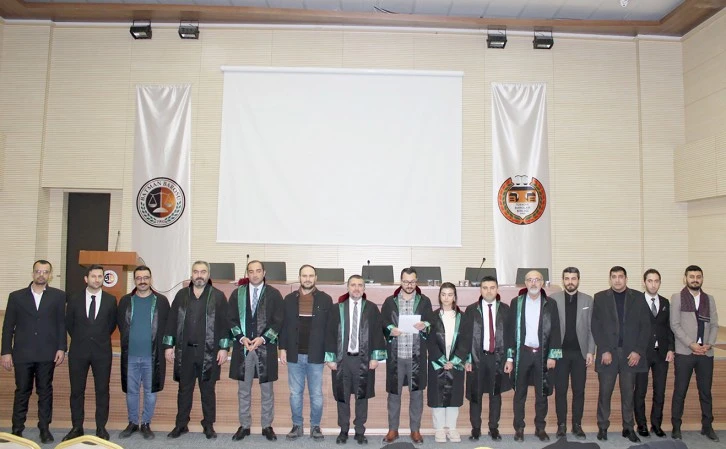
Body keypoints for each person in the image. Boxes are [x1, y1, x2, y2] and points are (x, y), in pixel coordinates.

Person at [1, 260, 66, 444]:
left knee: (45, 392)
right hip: (23, 353)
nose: (41, 275)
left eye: (45, 272)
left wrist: (61, 347)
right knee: (22, 391)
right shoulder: (16, 297)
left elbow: (61, 324)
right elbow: (8, 327)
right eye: (38, 271)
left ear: (50, 275)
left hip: (47, 353)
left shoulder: (58, 296)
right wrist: (6, 351)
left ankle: (44, 428)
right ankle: (17, 429)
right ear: (32, 273)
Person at [164, 261, 230, 440]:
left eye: (203, 272)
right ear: (191, 274)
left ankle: (208, 424)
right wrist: (169, 345)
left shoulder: (217, 296)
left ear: (208, 275)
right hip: (185, 352)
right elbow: (171, 320)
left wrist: (224, 348)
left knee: (207, 390)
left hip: (208, 352)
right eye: (196, 272)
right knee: (184, 390)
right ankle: (181, 424)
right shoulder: (181, 295)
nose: (199, 275)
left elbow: (225, 325)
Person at [591, 266, 650, 443]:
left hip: (630, 354)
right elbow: (595, 326)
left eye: (621, 276)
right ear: (610, 279)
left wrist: (638, 351)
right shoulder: (600, 297)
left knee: (628, 395)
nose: (617, 280)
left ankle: (628, 428)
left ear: (626, 279)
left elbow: (645, 326)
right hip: (608, 354)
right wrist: (604, 349)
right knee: (605, 393)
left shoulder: (638, 297)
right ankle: (603, 427)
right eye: (614, 277)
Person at [325, 275, 386, 445]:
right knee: (342, 396)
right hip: (342, 359)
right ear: (348, 287)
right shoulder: (337, 308)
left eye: (360, 285)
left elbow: (378, 333)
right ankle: (343, 430)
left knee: (362, 396)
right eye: (353, 285)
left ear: (364, 288)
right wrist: (330, 358)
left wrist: (375, 357)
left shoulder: (372, 308)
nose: (356, 288)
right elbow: (329, 333)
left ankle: (360, 431)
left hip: (363, 359)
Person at [228, 260, 284, 442]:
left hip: (265, 349)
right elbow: (230, 319)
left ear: (264, 273)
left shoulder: (274, 294)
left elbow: (278, 321)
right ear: (247, 273)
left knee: (267, 391)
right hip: (243, 348)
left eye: (258, 271)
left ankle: (267, 426)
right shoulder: (237, 294)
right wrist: (241, 337)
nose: (254, 274)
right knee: (243, 391)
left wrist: (263, 338)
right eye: (251, 271)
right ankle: (244, 425)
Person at [504, 270, 561, 442]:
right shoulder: (517, 302)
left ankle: (540, 428)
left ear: (542, 283)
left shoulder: (550, 304)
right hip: (523, 354)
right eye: (530, 280)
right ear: (525, 283)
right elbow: (510, 332)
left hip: (542, 355)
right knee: (519, 393)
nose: (533, 283)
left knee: (541, 394)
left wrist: (553, 356)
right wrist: (509, 358)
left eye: (537, 280)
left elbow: (556, 331)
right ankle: (519, 428)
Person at [63, 264, 118, 441]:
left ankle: (101, 427)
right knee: (76, 391)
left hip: (102, 352)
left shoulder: (110, 300)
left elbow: (111, 325)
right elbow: (69, 324)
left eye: (100, 276)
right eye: (93, 276)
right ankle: (77, 427)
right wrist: (83, 338)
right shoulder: (74, 299)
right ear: (86, 279)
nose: (97, 279)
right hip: (78, 351)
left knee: (102, 390)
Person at [279, 265, 332, 441]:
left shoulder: (325, 299)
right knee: (295, 394)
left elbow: (330, 329)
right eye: (304, 275)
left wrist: (329, 353)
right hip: (294, 355)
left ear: (316, 278)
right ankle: (297, 425)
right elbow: (284, 326)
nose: (307, 279)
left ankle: (315, 426)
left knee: (316, 394)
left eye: (310, 276)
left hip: (316, 355)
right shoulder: (289, 299)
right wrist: (282, 348)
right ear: (299, 277)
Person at [117, 265, 170, 440]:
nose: (142, 281)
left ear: (151, 279)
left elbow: (168, 326)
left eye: (146, 278)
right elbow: (121, 325)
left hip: (152, 356)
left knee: (150, 392)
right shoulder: (126, 301)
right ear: (134, 280)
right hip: (130, 356)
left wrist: (169, 347)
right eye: (139, 278)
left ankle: (146, 423)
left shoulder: (161, 301)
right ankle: (133, 422)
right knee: (131, 391)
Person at [381, 267, 433, 445]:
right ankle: (393, 429)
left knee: (416, 394)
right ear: (400, 281)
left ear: (416, 281)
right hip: (396, 356)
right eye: (406, 281)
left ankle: (415, 430)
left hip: (416, 356)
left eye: (412, 281)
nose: (409, 285)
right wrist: (390, 329)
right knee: (394, 395)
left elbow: (431, 322)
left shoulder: (424, 301)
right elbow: (383, 322)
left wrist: (425, 325)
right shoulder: (390, 301)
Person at [670, 265, 719, 442]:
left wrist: (709, 344)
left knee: (705, 392)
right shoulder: (677, 298)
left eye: (698, 276)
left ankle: (707, 426)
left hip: (705, 353)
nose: (695, 279)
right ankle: (676, 427)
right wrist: (691, 344)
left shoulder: (709, 299)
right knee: (680, 391)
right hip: (685, 352)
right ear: (685, 278)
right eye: (692, 276)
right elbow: (675, 324)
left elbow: (714, 324)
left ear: (702, 279)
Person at [464, 275, 511, 443]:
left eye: (492, 288)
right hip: (477, 358)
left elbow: (510, 336)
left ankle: (493, 428)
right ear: (480, 290)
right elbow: (465, 337)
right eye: (485, 288)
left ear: (497, 289)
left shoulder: (505, 309)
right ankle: (476, 428)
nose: (488, 291)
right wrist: (467, 359)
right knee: (475, 394)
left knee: (495, 394)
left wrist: (510, 359)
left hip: (497, 358)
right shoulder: (471, 310)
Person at [551, 267, 594, 439]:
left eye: (573, 278)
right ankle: (561, 425)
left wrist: (590, 351)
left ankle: (577, 425)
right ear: (563, 280)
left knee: (579, 391)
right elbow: (551, 329)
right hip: (560, 354)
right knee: (560, 391)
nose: (570, 282)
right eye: (567, 278)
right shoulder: (553, 299)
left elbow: (591, 328)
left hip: (579, 354)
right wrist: (552, 354)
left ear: (578, 280)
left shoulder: (588, 300)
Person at [633, 269, 674, 438]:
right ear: (644, 282)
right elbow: (632, 329)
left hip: (661, 354)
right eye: (650, 281)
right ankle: (641, 424)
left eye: (656, 281)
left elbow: (669, 328)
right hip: (642, 354)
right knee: (640, 391)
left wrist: (671, 348)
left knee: (660, 391)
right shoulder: (636, 301)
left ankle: (656, 425)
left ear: (660, 283)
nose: (653, 284)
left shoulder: (665, 302)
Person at [427, 282, 470, 443]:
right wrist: (441, 359)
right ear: (439, 296)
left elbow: (465, 341)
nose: (446, 298)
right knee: (437, 396)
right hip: (437, 362)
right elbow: (429, 341)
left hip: (455, 362)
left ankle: (452, 428)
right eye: (443, 294)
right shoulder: (432, 317)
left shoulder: (462, 317)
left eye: (450, 294)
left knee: (454, 396)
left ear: (455, 297)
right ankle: (439, 429)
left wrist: (455, 360)